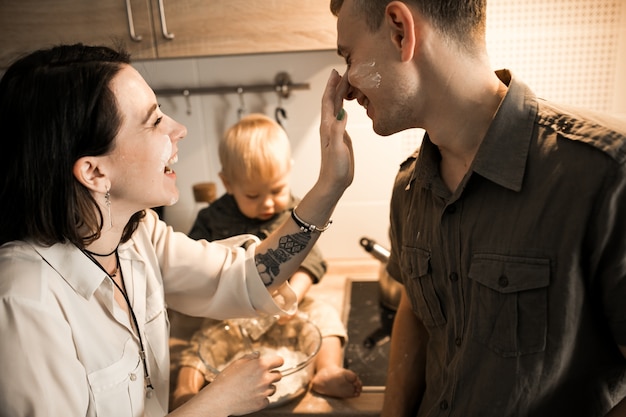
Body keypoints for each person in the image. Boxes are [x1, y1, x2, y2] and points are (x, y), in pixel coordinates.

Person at [0, 43, 353, 417]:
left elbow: (247, 277)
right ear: (95, 172)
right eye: (154, 121)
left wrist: (330, 185)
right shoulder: (23, 302)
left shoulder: (136, 237)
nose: (179, 129)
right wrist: (213, 403)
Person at [328, 0, 626, 416]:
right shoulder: (408, 188)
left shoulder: (607, 174)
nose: (344, 85)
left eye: (349, 57)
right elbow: (415, 312)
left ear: (400, 31)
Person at [170, 113, 362, 408]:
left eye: (276, 190)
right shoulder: (211, 218)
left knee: (324, 315)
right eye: (253, 195)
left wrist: (293, 295)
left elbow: (313, 263)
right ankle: (186, 391)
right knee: (199, 340)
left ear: (288, 172)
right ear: (227, 183)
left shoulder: (294, 215)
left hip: (287, 310)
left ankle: (327, 370)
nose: (268, 203)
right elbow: (196, 268)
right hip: (231, 316)